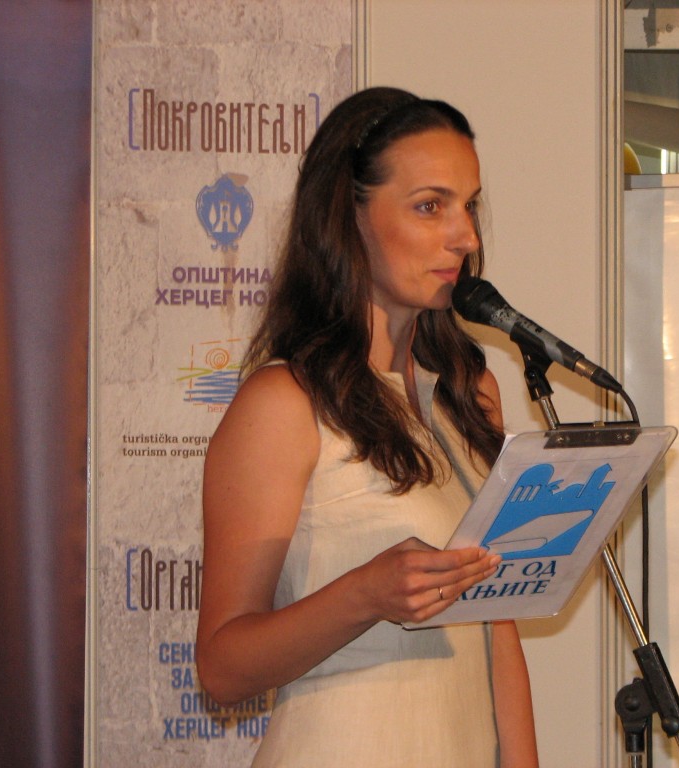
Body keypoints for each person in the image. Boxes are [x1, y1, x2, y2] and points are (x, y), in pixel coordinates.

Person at [195, 86, 539, 768]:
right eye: (430, 206)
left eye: (469, 206)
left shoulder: (471, 395)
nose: (466, 237)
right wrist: (365, 594)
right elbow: (222, 668)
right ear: (348, 217)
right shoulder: (285, 403)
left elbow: (497, 632)